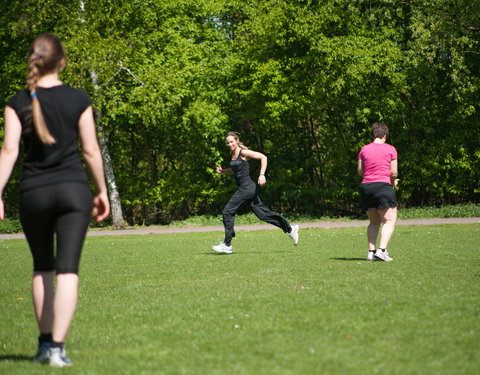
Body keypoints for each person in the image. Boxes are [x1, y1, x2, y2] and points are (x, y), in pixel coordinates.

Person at [0, 33, 110, 367]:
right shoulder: (78, 99)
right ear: (61, 61)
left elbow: (9, 151)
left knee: (42, 268)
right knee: (67, 271)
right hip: (72, 192)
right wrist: (102, 190)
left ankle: (44, 345)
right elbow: (90, 150)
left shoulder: (17, 101)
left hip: (33, 191)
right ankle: (58, 350)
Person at [212, 132, 299, 254]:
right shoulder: (232, 153)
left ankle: (227, 244)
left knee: (227, 211)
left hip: (246, 189)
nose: (230, 144)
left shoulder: (243, 152)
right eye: (227, 142)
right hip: (247, 189)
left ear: (237, 140)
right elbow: (235, 169)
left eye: (232, 141)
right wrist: (223, 171)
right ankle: (290, 229)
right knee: (263, 214)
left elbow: (263, 157)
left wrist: (262, 174)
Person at [357, 122, 398, 262]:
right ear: (385, 135)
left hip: (366, 187)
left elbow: (360, 172)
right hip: (383, 186)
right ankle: (381, 251)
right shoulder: (390, 149)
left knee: (374, 222)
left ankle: (371, 252)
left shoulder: (363, 149)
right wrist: (393, 183)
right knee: (389, 220)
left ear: (374, 134)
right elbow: (393, 172)